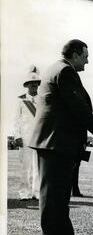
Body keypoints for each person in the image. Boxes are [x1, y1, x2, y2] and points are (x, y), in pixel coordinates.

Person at [29, 39, 93, 235]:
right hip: (54, 142)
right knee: (52, 193)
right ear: (76, 54)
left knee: (60, 193)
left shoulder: (57, 69)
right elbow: (77, 106)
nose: (87, 62)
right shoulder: (65, 72)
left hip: (58, 142)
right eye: (85, 57)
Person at [13, 66, 41, 201]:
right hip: (25, 137)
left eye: (36, 83)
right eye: (31, 83)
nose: (34, 85)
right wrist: (17, 136)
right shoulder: (21, 99)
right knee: (25, 166)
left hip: (40, 137)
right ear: (27, 85)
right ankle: (24, 192)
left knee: (38, 166)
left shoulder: (43, 99)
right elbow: (16, 120)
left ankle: (37, 192)